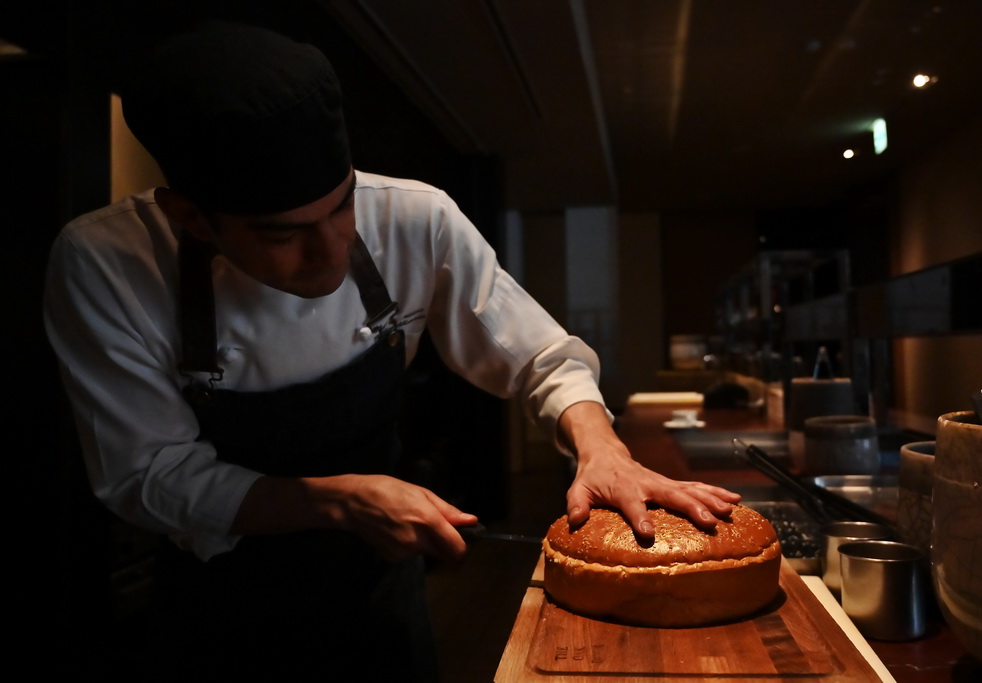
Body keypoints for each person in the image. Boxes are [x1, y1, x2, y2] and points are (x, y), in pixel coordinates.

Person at [44, 21, 739, 679]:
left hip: (378, 590)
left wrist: (602, 449)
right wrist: (340, 500)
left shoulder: (414, 216)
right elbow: (148, 474)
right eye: (284, 234)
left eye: (341, 207)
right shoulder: (106, 262)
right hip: (219, 604)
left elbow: (539, 356)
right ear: (191, 217)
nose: (330, 253)